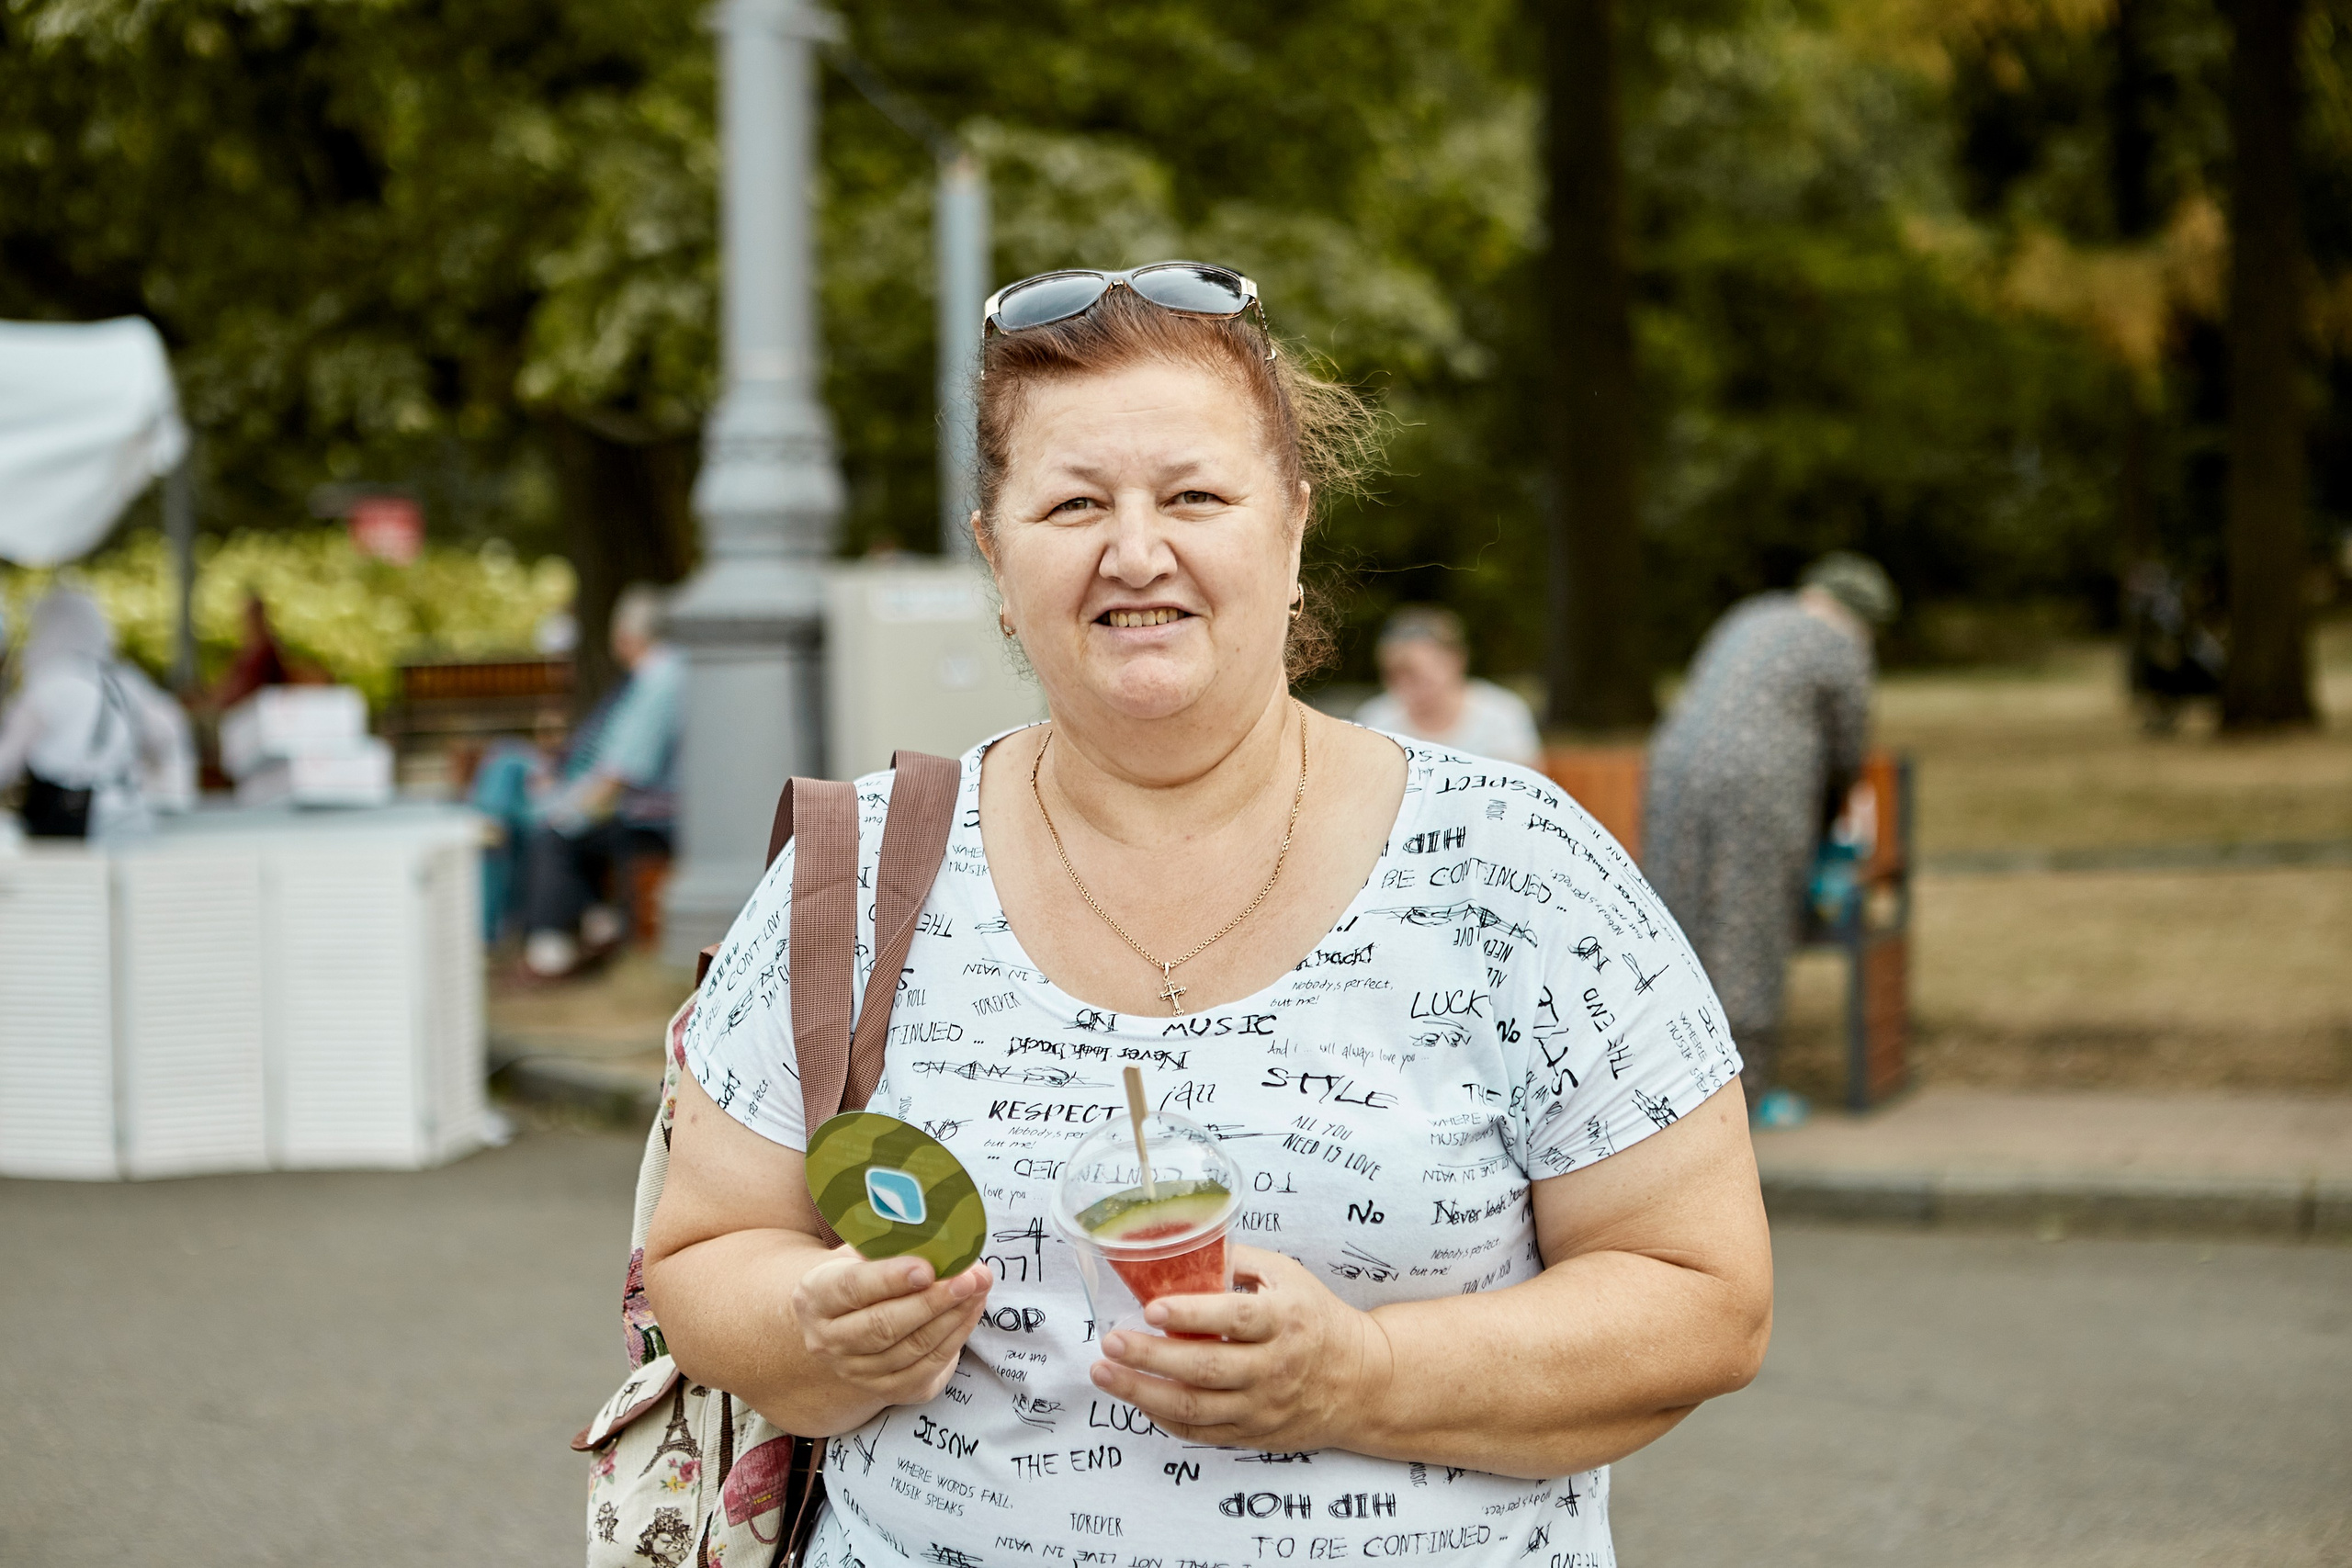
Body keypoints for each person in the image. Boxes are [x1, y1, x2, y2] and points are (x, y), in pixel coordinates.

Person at [645, 265, 1771, 1568]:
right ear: (996, 555)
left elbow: (1706, 1299)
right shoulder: (861, 863)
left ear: (1290, 531)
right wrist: (814, 1330)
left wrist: (1366, 1371)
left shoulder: (1513, 865)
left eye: (1194, 495)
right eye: (1074, 503)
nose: (1137, 551)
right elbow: (711, 1246)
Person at [1640, 552, 1895, 1129]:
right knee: (1747, 931)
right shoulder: (1841, 647)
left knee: (1676, 920)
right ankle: (1739, 1100)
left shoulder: (1750, 614)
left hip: (1673, 771)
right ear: (1863, 618)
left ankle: (1662, 1088)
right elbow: (1847, 749)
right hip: (1759, 785)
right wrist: (1832, 818)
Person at [515, 583, 684, 977]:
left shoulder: (659, 680)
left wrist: (565, 810)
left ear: (627, 636)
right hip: (655, 812)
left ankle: (548, 949)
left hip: (654, 818)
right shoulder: (668, 671)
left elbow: (621, 774)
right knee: (565, 827)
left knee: (554, 835)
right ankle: (596, 923)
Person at [0, 587, 195, 839]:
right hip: (127, 812)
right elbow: (169, 736)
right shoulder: (124, 680)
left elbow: (8, 762)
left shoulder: (46, 685)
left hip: (65, 822)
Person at [1354, 604, 1543, 766]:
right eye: (1396, 676)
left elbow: (1527, 789)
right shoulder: (1375, 719)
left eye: (1421, 676)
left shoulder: (1502, 713)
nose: (1408, 688)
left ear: (1456, 660)